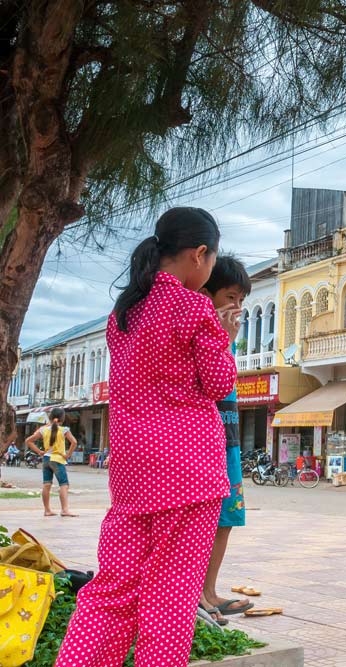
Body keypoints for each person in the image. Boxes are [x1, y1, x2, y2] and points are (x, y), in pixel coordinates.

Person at [56, 207, 239, 667]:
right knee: (169, 601)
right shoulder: (193, 305)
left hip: (134, 472)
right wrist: (224, 334)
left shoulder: (124, 312)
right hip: (189, 472)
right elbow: (219, 383)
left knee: (111, 591)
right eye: (213, 261)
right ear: (199, 254)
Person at [198, 255, 254, 623]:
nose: (236, 307)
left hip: (228, 439)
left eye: (241, 301)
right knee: (203, 519)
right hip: (204, 439)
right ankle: (195, 596)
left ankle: (209, 591)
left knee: (227, 517)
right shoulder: (201, 328)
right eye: (230, 297)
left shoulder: (228, 336)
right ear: (207, 292)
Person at [25, 408, 78, 517]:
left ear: (50, 417)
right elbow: (74, 442)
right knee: (64, 485)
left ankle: (47, 510)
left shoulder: (43, 430)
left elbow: (28, 441)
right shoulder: (64, 430)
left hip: (46, 459)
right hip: (57, 460)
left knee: (47, 484)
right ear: (62, 419)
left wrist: (39, 451)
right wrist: (68, 455)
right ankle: (64, 510)